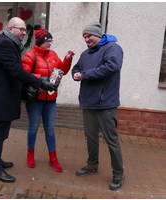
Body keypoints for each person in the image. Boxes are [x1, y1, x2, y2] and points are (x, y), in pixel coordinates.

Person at [0, 17, 57, 183]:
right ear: (10, 29)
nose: (24, 33)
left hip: (3, 97)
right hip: (2, 98)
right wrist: (41, 82)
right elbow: (16, 71)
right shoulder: (5, 44)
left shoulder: (8, 42)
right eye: (21, 29)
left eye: (25, 30)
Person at [71, 22, 124, 190]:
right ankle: (92, 165)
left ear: (98, 35)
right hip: (88, 103)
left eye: (89, 36)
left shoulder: (112, 48)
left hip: (105, 104)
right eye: (84, 37)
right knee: (91, 137)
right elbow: (76, 67)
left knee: (111, 140)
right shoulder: (85, 54)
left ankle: (118, 173)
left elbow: (113, 66)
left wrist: (85, 75)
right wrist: (75, 74)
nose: (86, 40)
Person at [22, 25, 75, 172]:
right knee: (33, 128)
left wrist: (67, 59)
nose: (50, 43)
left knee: (50, 129)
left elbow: (62, 71)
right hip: (35, 100)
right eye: (47, 40)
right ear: (40, 41)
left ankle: (53, 158)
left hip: (51, 100)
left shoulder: (53, 55)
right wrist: (42, 79)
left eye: (51, 40)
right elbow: (23, 75)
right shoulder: (30, 56)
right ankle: (30, 155)